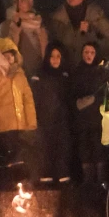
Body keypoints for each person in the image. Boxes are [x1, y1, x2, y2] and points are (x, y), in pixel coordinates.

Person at [0, 36, 38, 183]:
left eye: (11, 56)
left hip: (19, 124)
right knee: (6, 153)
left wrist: (30, 121)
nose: (9, 59)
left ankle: (18, 182)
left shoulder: (20, 75)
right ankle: (8, 181)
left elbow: (28, 99)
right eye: (5, 56)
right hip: (2, 124)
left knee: (18, 154)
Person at [71, 41, 109, 206]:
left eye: (92, 52)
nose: (88, 55)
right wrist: (78, 102)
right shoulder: (77, 72)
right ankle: (87, 180)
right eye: (86, 52)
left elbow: (108, 94)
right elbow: (71, 93)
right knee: (84, 148)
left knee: (98, 148)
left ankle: (101, 180)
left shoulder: (102, 73)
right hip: (82, 119)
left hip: (98, 118)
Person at [47, 0, 109, 66]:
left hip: (90, 70)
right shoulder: (57, 18)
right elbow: (53, 46)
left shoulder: (95, 16)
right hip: (66, 70)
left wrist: (91, 31)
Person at [33, 44, 74, 183]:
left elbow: (69, 98)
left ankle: (62, 172)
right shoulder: (40, 75)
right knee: (45, 146)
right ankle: (46, 173)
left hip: (62, 118)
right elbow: (36, 98)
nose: (55, 60)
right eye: (52, 56)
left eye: (58, 56)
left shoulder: (66, 76)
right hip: (45, 117)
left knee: (63, 145)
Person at [0, 0, 47, 75]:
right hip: (19, 75)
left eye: (22, 0)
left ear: (30, 3)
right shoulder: (6, 25)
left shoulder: (40, 24)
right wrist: (14, 32)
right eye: (15, 1)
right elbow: (5, 52)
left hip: (39, 75)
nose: (18, 4)